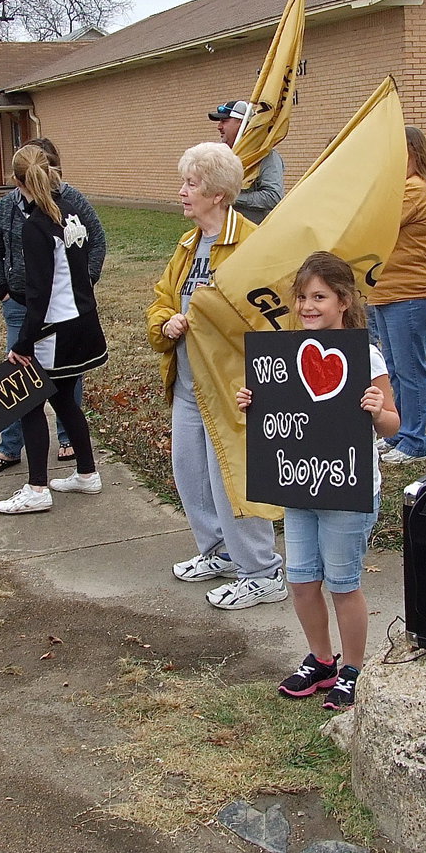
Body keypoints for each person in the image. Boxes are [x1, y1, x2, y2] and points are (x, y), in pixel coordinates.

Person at [237, 251, 399, 709]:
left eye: (320, 297)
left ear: (343, 301)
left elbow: (393, 424)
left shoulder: (364, 356)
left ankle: (353, 667)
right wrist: (254, 402)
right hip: (297, 483)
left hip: (347, 490)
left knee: (343, 583)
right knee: (303, 580)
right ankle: (321, 660)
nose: (308, 306)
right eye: (302, 297)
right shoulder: (284, 356)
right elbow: (279, 417)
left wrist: (376, 410)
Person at [147, 142, 286, 609]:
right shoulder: (188, 245)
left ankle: (263, 572)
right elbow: (161, 299)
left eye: (192, 184)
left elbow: (269, 317)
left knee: (234, 480)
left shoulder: (252, 245)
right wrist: (166, 322)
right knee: (190, 475)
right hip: (188, 385)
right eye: (185, 182)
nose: (182, 192)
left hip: (232, 387)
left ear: (219, 194)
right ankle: (219, 552)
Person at [0, 145, 107, 514]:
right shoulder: (71, 212)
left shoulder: (35, 225)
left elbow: (40, 295)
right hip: (82, 325)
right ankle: (87, 473)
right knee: (64, 399)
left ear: (16, 180)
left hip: (53, 332)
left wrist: (24, 343)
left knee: (28, 403)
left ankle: (37, 489)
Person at [368, 125, 426, 466]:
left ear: (416, 153)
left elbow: (376, 220)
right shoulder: (399, 187)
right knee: (394, 367)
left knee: (410, 369)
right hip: (386, 291)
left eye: (400, 154)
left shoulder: (414, 189)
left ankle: (416, 440)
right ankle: (398, 432)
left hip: (411, 291)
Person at [209, 100, 285, 224]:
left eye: (225, 121)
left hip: (253, 234)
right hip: (224, 230)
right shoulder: (222, 155)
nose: (219, 127)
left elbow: (273, 197)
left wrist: (230, 197)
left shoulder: (265, 155)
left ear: (241, 123)